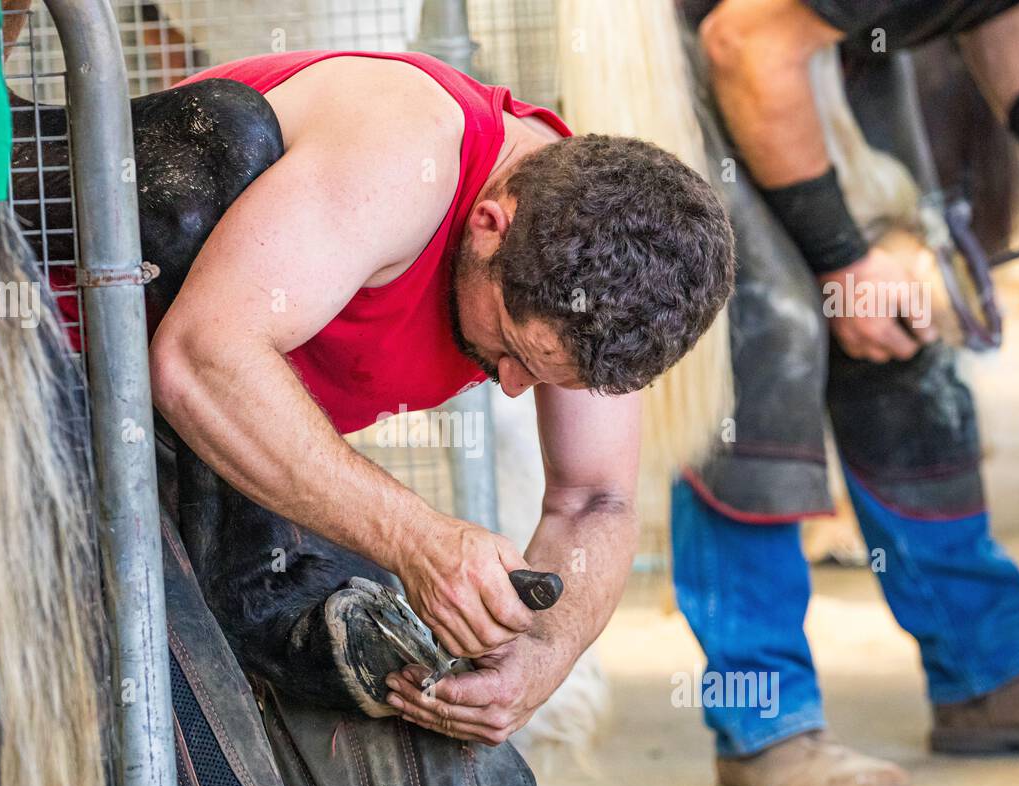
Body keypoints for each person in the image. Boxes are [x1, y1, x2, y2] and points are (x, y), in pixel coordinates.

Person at [147, 50, 734, 744]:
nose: (513, 387)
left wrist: (541, 657)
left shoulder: (595, 259)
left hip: (211, 450)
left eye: (546, 377)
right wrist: (417, 540)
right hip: (66, 373)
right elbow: (198, 358)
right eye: (515, 352)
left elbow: (594, 499)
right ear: (490, 223)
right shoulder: (400, 151)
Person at [671, 0, 1019, 786]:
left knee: (906, 319)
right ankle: (765, 719)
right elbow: (743, 43)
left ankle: (991, 669)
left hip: (825, 46)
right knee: (759, 334)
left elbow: (1011, 5)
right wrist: (838, 259)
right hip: (700, 48)